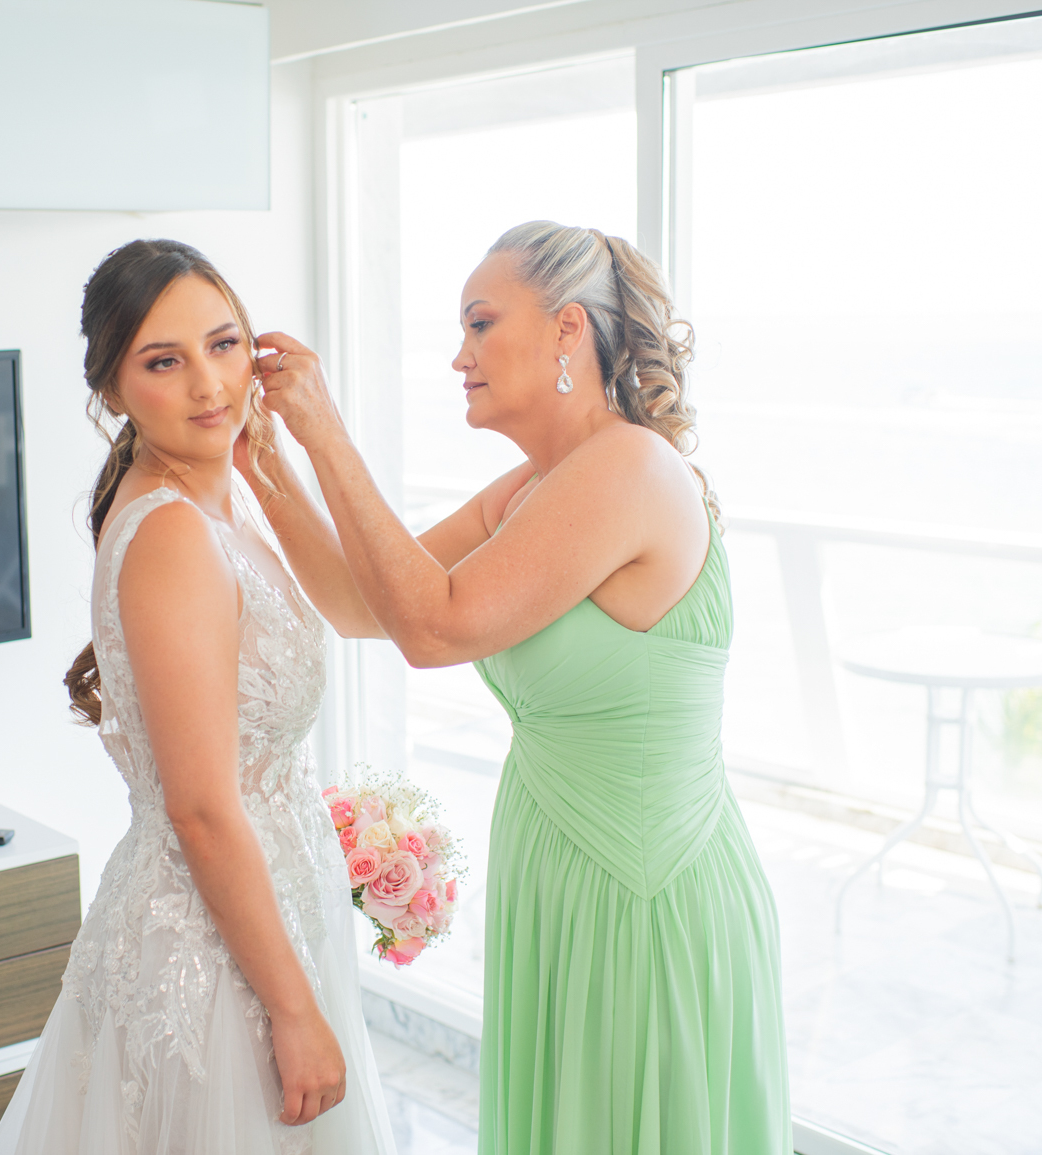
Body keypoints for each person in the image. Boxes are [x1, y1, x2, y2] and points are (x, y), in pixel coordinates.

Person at [247, 221, 790, 1153]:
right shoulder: (529, 489)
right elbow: (359, 603)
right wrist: (261, 450)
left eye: (481, 323)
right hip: (560, 876)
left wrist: (326, 429)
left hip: (642, 890)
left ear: (568, 329)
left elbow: (436, 625)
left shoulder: (629, 468)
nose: (460, 355)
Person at [0, 239, 395, 1154]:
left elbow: (364, 610)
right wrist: (293, 1009)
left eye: (224, 344)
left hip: (262, 919)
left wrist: (299, 445)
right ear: (111, 390)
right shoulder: (173, 536)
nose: (210, 383)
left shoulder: (223, 493)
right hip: (215, 961)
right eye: (164, 362)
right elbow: (202, 808)